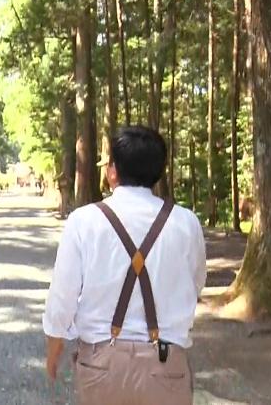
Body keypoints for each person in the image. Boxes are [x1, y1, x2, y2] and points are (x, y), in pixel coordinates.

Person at [43, 125, 207, 405]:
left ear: (112, 171)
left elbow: (63, 295)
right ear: (158, 172)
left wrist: (54, 349)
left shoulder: (84, 221)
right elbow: (196, 283)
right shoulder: (186, 222)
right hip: (166, 364)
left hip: (101, 365)